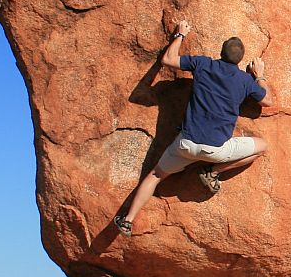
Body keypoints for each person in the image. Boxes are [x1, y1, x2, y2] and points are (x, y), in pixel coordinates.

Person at [113, 20, 271, 236]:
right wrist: (259, 74)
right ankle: (212, 172)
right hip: (216, 150)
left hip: (185, 144)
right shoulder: (244, 81)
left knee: (155, 175)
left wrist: (180, 35)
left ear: (221, 52)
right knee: (262, 147)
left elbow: (168, 59)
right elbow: (267, 101)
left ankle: (128, 221)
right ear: (241, 60)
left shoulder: (204, 64)